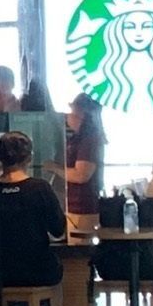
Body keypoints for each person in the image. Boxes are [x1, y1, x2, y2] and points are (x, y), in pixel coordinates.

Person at [0, 132, 66, 306]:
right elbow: (58, 229)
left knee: (16, 269)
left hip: (0, 273)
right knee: (46, 272)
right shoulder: (40, 188)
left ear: (0, 158)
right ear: (28, 157)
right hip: (38, 269)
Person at [64, 94, 105, 225]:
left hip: (81, 209)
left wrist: (54, 168)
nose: (68, 117)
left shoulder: (90, 140)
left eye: (73, 113)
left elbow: (81, 175)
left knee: (80, 244)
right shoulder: (79, 139)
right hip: (72, 206)